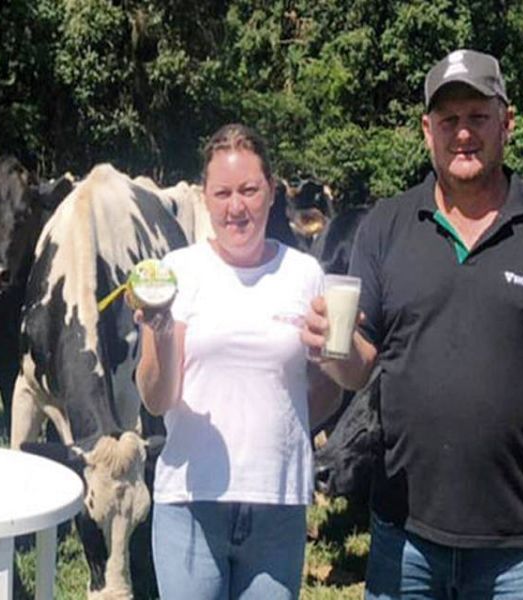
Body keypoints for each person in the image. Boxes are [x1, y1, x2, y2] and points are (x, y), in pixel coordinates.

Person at [301, 49, 523, 598]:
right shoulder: (386, 226)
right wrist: (332, 351)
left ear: (507, 122)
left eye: (477, 117)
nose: (462, 134)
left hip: (516, 547)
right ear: (427, 130)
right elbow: (361, 366)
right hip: (404, 537)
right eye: (448, 120)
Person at [136, 123, 340, 599]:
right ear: (204, 198)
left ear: (272, 193)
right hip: (190, 501)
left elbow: (325, 392)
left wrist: (291, 419)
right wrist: (159, 332)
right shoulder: (178, 272)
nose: (236, 207)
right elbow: (156, 397)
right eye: (223, 192)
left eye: (249, 190)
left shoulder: (304, 273)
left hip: (278, 502)